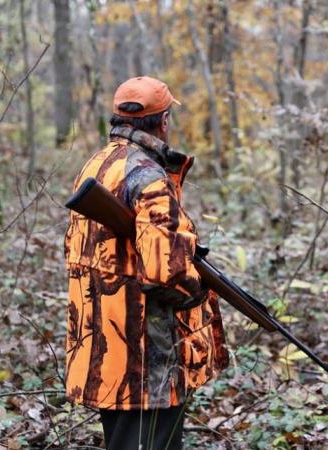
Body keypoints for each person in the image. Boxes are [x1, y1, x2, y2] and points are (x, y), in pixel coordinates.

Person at [63, 76, 229, 450]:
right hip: (146, 356)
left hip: (103, 342)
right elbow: (166, 276)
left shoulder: (97, 164)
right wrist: (199, 287)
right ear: (164, 120)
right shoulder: (150, 177)